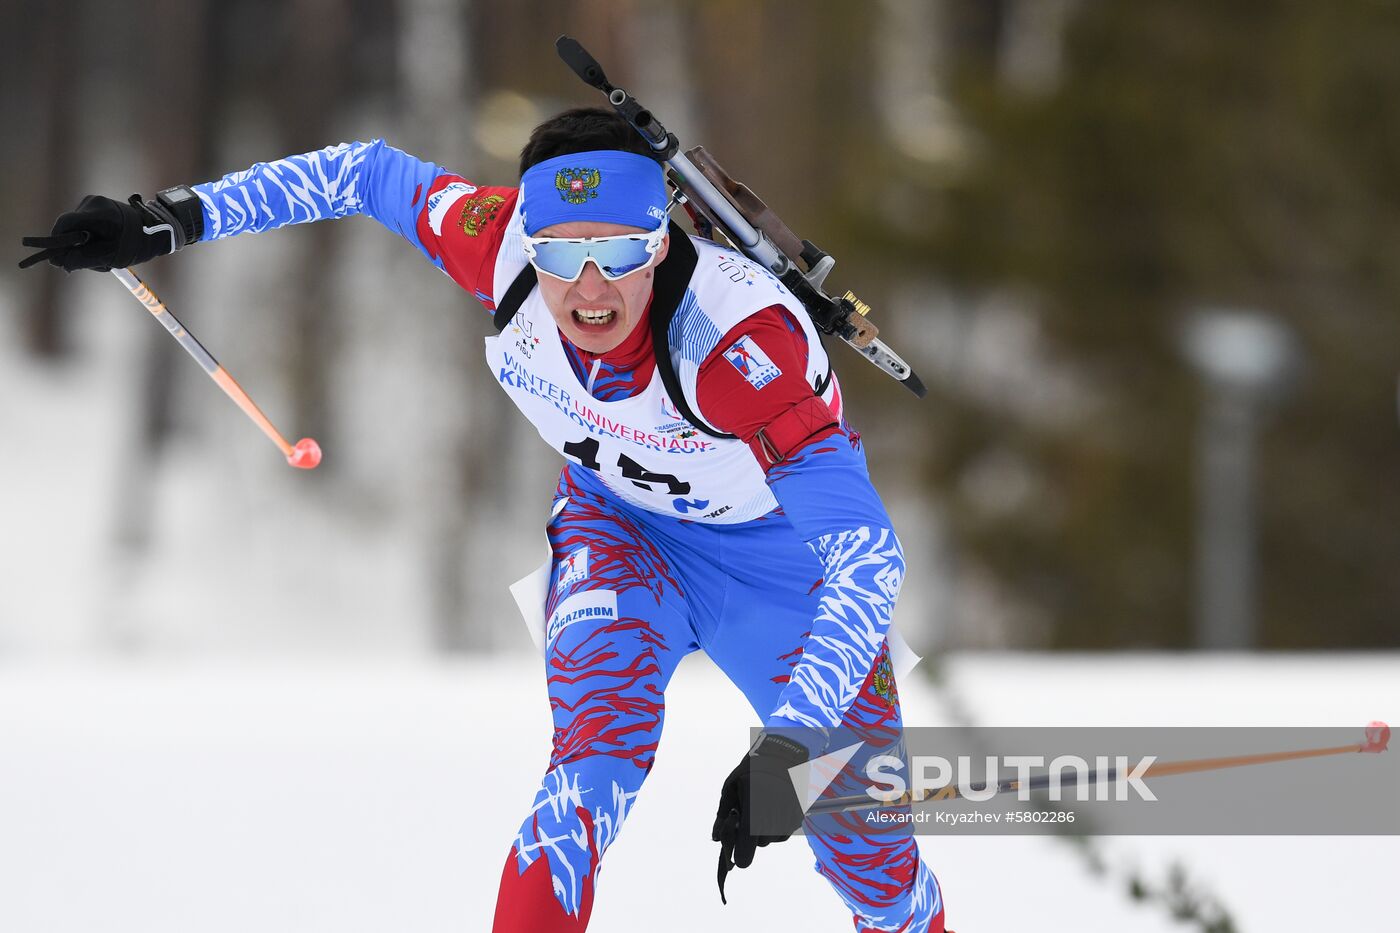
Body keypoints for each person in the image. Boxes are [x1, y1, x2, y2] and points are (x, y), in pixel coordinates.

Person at [21, 108, 947, 933]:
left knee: (872, 863)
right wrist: (173, 216)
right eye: (559, 253)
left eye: (619, 250)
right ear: (526, 240)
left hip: (782, 566)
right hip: (619, 536)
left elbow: (865, 559)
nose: (589, 288)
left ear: (661, 242)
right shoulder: (492, 241)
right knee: (588, 776)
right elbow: (366, 172)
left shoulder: (740, 345)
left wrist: (790, 739)